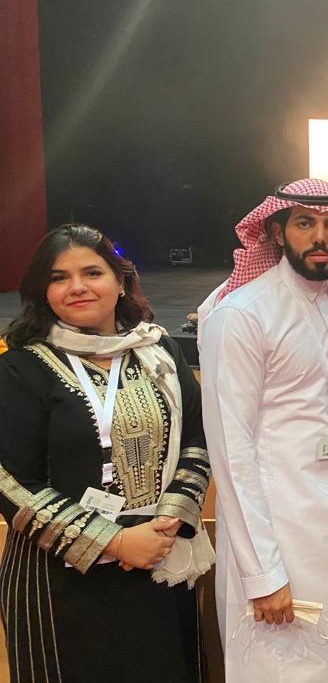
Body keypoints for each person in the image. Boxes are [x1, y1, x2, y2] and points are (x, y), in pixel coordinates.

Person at [198, 179, 328, 682]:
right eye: (305, 223)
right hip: (282, 529)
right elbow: (232, 452)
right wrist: (262, 572)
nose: (320, 237)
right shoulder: (241, 314)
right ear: (276, 231)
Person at [0, 224, 212, 683]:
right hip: (60, 581)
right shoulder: (22, 366)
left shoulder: (159, 352)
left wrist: (167, 523)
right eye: (59, 277)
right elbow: (12, 481)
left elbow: (197, 440)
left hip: (157, 561)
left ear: (120, 281)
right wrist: (114, 542)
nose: (77, 287)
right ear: (43, 292)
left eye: (92, 273)